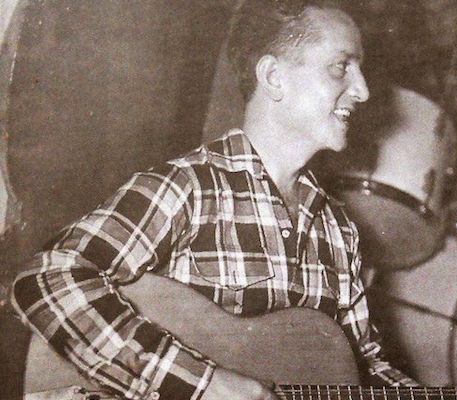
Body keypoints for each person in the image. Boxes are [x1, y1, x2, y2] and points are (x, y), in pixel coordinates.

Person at [11, 0, 419, 399]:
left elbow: (363, 367)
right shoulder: (188, 188)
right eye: (341, 67)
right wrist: (200, 383)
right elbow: (46, 278)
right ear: (274, 77)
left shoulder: (339, 230)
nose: (363, 91)